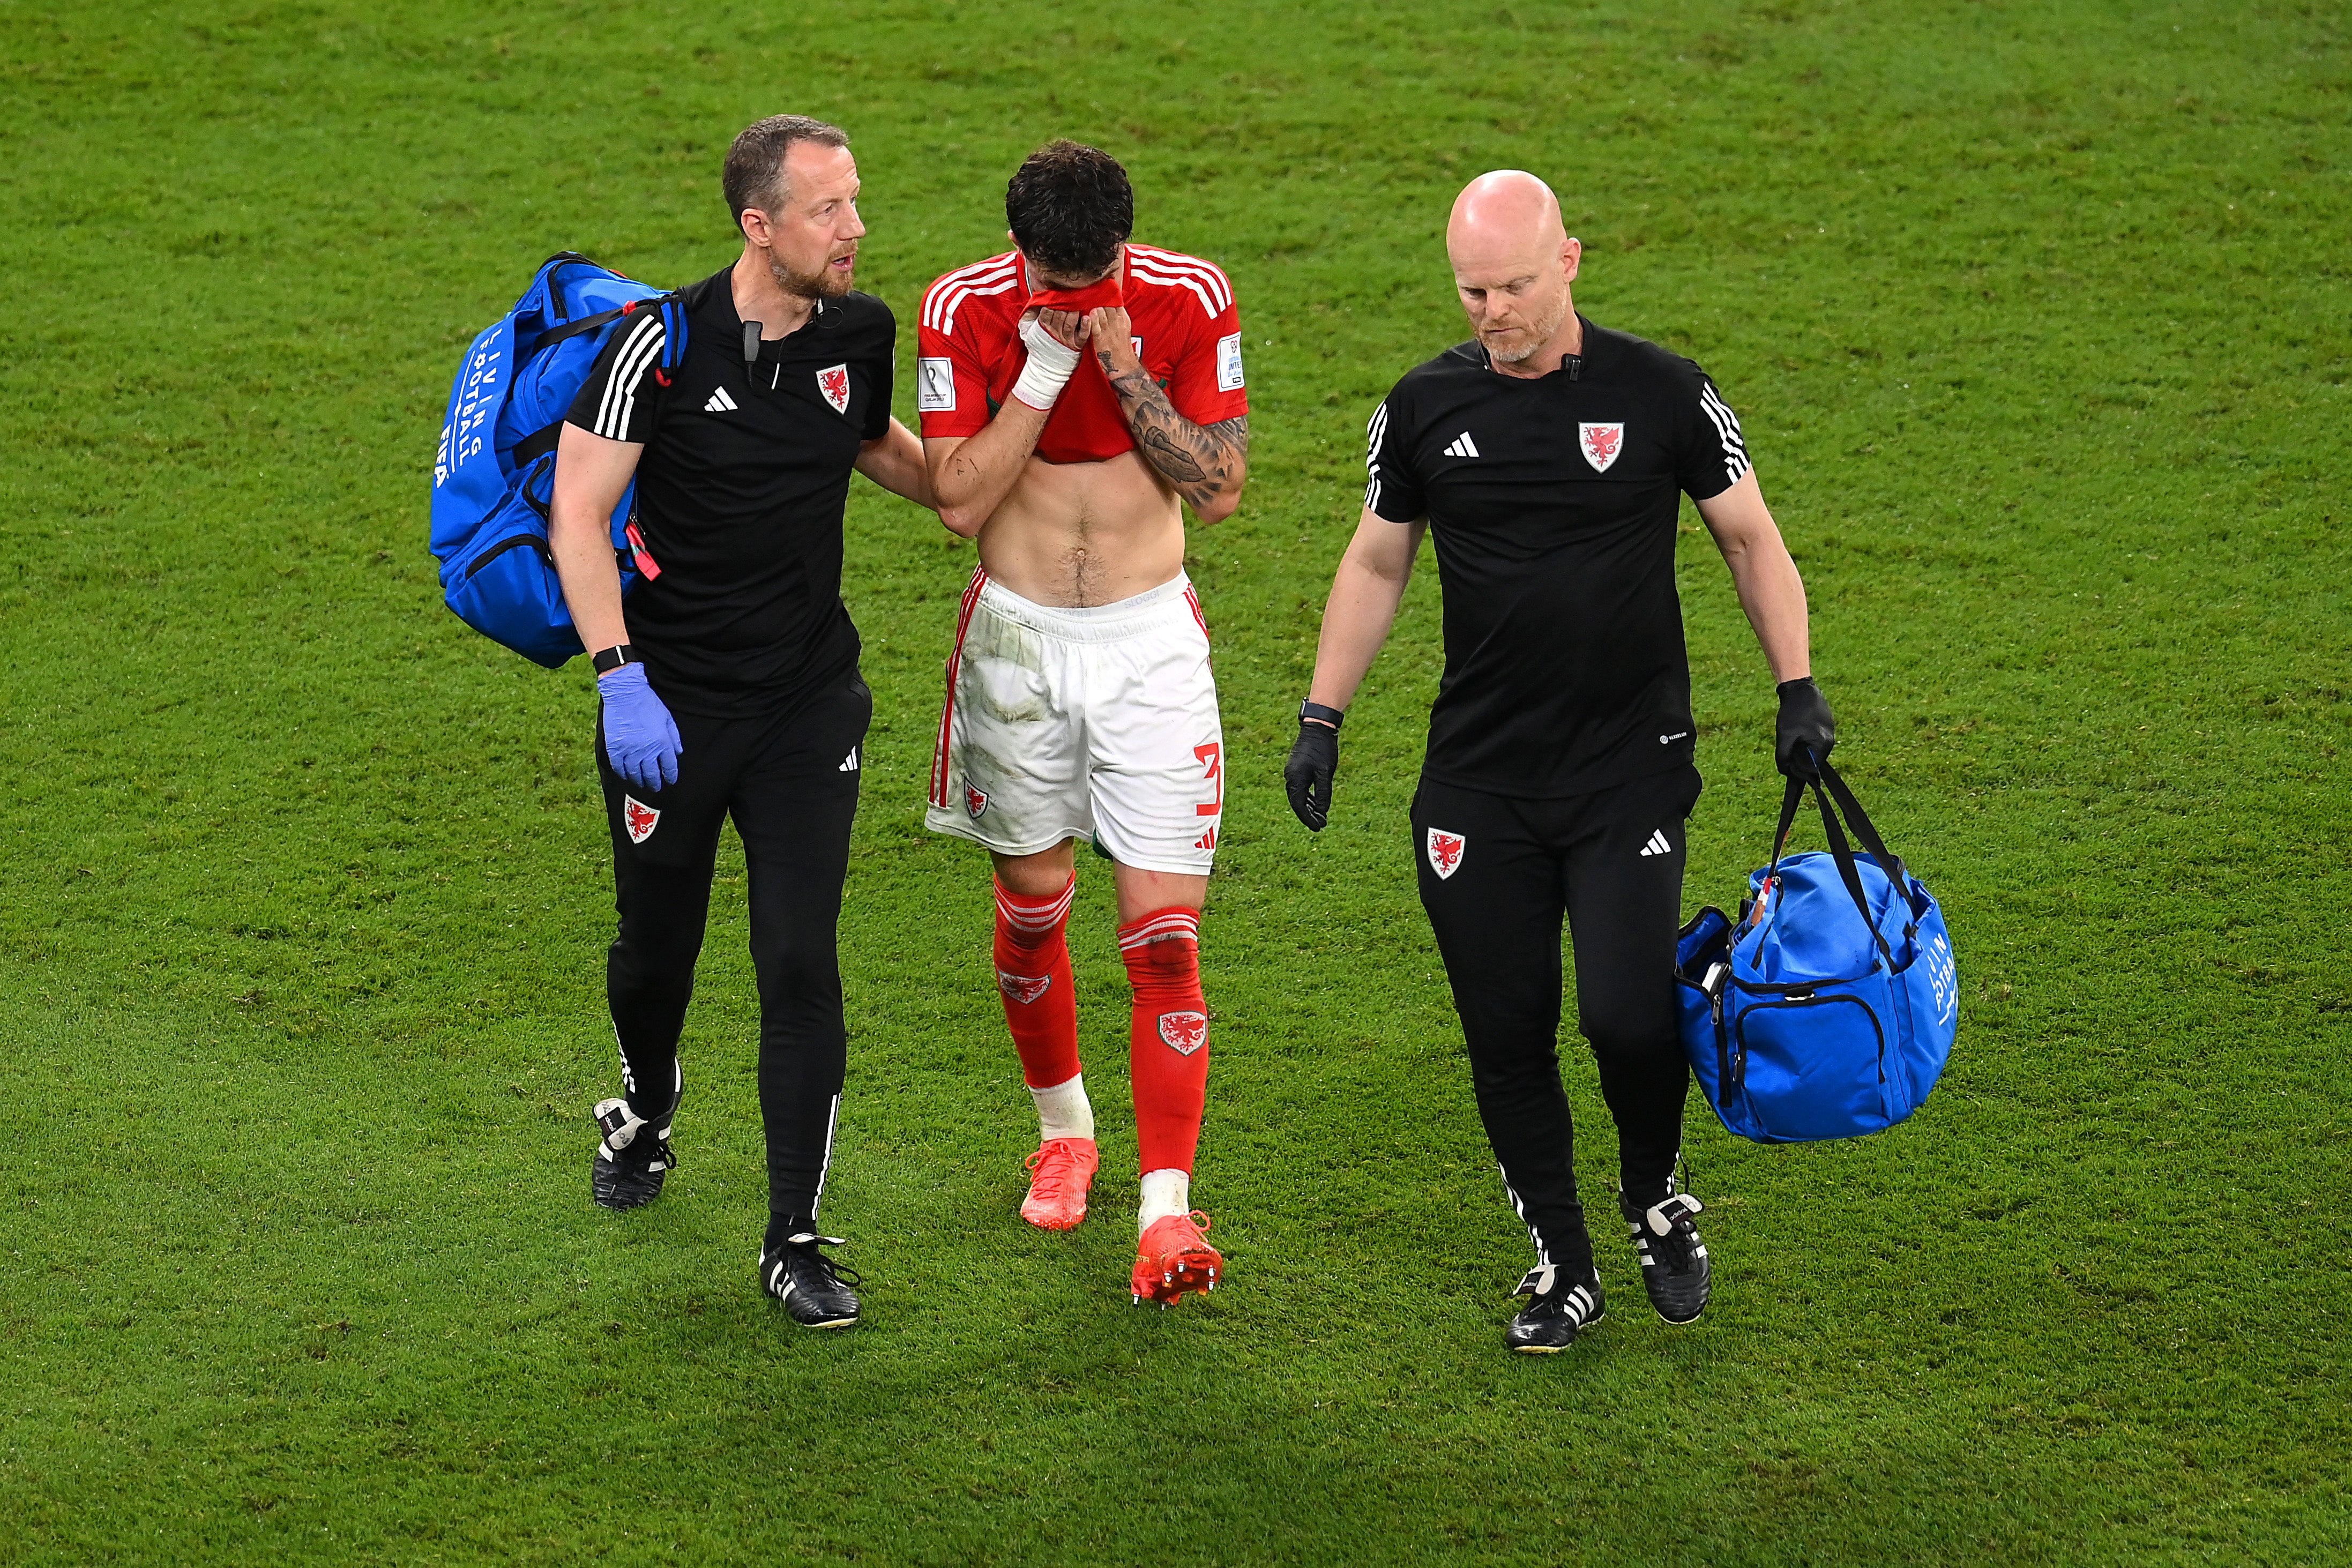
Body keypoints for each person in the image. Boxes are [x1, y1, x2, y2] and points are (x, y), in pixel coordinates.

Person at [1282, 170, 1836, 1353]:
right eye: (1472, 290)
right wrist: (1322, 715)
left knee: (1629, 1017)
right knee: (1507, 1028)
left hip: (1625, 769)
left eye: (1515, 286)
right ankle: (1563, 1259)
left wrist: (1795, 685)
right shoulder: (1422, 406)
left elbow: (1747, 536)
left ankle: (1652, 1197)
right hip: (1478, 781)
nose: (1493, 311)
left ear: (1569, 261)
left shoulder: (1664, 391)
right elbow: (1376, 563)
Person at [547, 114, 934, 1330]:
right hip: (671, 707)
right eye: (828, 210)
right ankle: (647, 1106)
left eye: (854, 201)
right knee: (655, 954)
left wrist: (1011, 461)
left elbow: (878, 449)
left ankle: (793, 1235)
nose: (856, 229)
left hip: (807, 703)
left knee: (797, 960)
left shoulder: (860, 334)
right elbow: (578, 513)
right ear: (758, 226)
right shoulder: (656, 344)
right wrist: (620, 675)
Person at [914, 141, 1251, 1304]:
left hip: (1150, 646)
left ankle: (1165, 1209)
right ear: (1019, 253)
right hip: (1015, 651)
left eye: (1091, 277)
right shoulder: (963, 307)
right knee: (1028, 916)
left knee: (1164, 945)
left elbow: (1215, 487)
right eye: (1051, 284)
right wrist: (1045, 372)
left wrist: (1121, 361)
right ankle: (1064, 1128)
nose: (1071, 299)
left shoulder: (1184, 297)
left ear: (1122, 244)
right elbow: (956, 500)